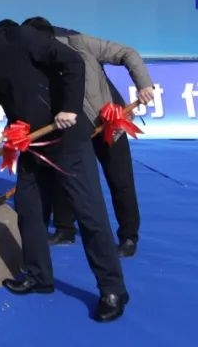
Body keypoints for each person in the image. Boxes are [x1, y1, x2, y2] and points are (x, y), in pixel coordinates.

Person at [0, 2, 128, 322]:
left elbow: (72, 61)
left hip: (66, 138)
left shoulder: (20, 37)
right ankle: (38, 276)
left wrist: (69, 107)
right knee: (29, 210)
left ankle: (112, 288)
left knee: (89, 214)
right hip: (31, 143)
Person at [22, 17, 154, 257]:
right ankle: (65, 229)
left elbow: (128, 53)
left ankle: (128, 236)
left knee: (120, 180)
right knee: (66, 177)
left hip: (108, 122)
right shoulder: (32, 59)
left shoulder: (79, 42)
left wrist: (144, 85)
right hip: (71, 127)